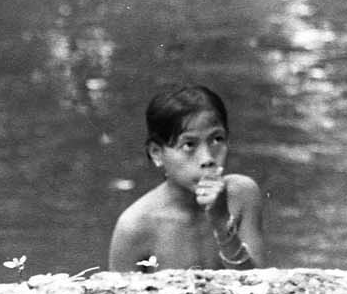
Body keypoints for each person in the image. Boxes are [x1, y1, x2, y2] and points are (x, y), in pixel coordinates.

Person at [107, 84, 266, 271]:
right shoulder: (134, 226)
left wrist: (223, 224)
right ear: (156, 153)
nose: (207, 159)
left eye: (217, 139)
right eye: (189, 145)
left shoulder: (242, 195)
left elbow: (257, 284)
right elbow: (120, 290)